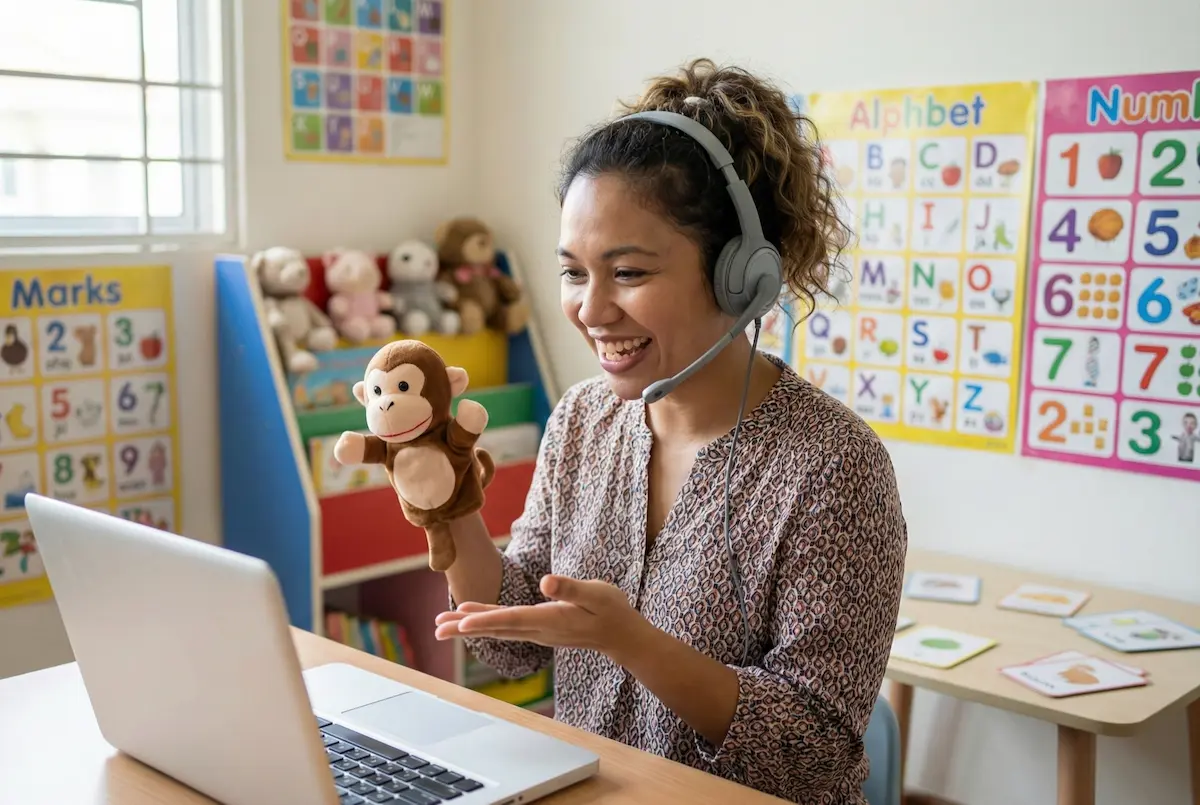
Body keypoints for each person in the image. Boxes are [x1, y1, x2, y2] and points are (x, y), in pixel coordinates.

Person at [433, 58, 908, 804]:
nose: (590, 309)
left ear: (737, 275)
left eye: (626, 273)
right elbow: (508, 640)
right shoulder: (583, 420)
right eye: (572, 272)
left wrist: (630, 640)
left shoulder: (833, 466)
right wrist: (450, 502)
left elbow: (815, 753)